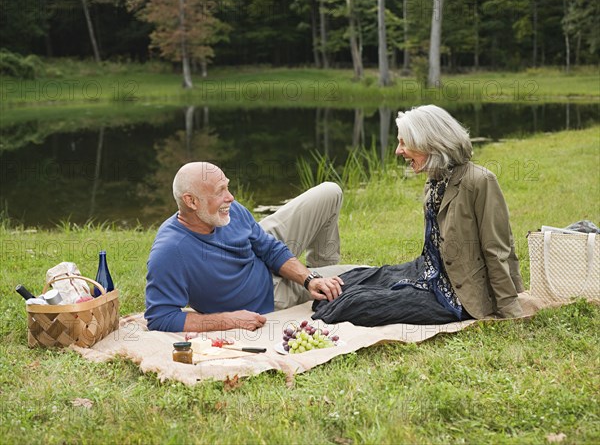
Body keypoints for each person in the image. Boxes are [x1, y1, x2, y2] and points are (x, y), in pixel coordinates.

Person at [312, 105, 524, 326]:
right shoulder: (435, 178)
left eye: (403, 143)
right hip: (427, 269)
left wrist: (509, 307)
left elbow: (497, 248)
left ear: (428, 143)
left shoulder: (479, 181)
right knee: (344, 283)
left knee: (354, 304)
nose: (397, 151)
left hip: (456, 294)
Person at [145, 162, 358, 332]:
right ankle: (326, 289)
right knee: (363, 275)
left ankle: (320, 275)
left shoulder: (228, 211)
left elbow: (269, 248)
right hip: (267, 292)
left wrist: (309, 279)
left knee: (330, 191)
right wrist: (229, 320)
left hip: (258, 253)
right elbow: (161, 317)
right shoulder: (170, 252)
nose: (231, 197)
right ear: (191, 201)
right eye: (220, 191)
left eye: (227, 186)